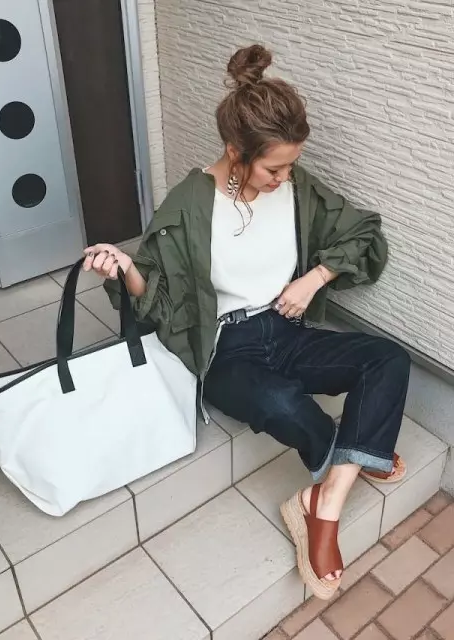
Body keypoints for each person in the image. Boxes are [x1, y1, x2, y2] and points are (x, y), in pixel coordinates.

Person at [83, 44, 410, 600]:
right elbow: (157, 295)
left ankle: (320, 502)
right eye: (273, 168)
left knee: (388, 358)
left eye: (291, 165)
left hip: (285, 329)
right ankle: (357, 453)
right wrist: (125, 270)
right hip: (225, 348)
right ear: (236, 152)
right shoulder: (190, 203)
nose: (286, 177)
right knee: (283, 402)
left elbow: (363, 232)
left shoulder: (296, 189)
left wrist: (313, 280)